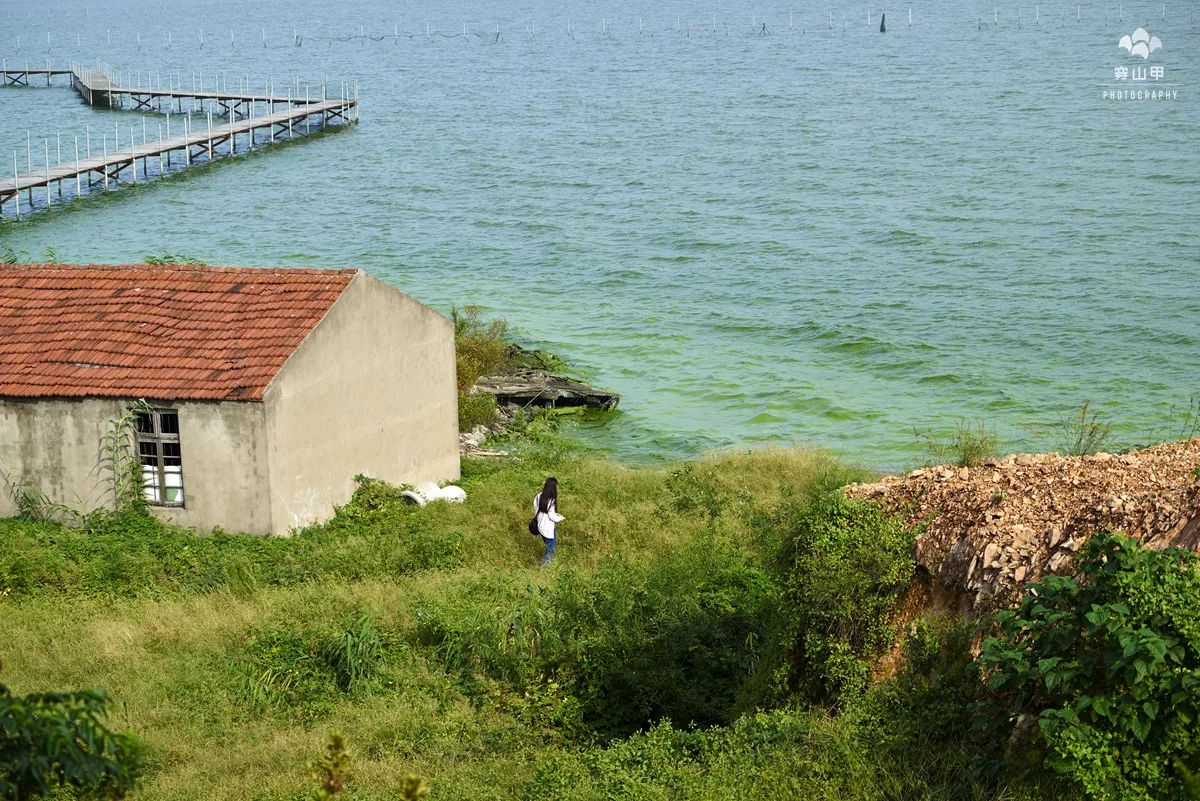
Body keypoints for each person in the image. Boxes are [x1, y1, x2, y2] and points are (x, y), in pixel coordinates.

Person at [532, 477, 565, 566]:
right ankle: (544, 568)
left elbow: (536, 508)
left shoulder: (539, 496)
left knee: (549, 546)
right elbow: (552, 516)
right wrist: (560, 518)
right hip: (548, 528)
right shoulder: (551, 500)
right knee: (551, 548)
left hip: (540, 525)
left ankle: (547, 565)